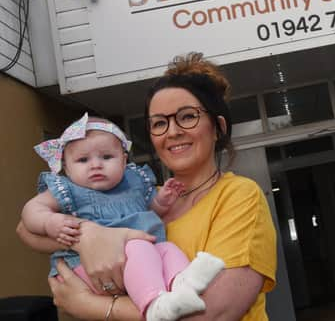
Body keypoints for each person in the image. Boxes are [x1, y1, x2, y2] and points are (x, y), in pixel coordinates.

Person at [17, 52, 277, 321]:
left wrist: (90, 305)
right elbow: (25, 229)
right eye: (160, 123)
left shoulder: (238, 196)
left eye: (188, 117)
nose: (173, 131)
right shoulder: (145, 196)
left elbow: (213, 314)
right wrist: (89, 236)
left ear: (218, 128)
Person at [21, 113, 225, 321]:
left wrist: (161, 203)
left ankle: (182, 284)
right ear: (66, 166)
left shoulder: (134, 183)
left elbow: (148, 212)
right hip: (84, 267)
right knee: (141, 245)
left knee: (166, 248)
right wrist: (50, 222)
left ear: (124, 159)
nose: (96, 165)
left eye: (107, 157)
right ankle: (155, 303)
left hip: (136, 257)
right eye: (83, 160)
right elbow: (31, 211)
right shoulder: (68, 188)